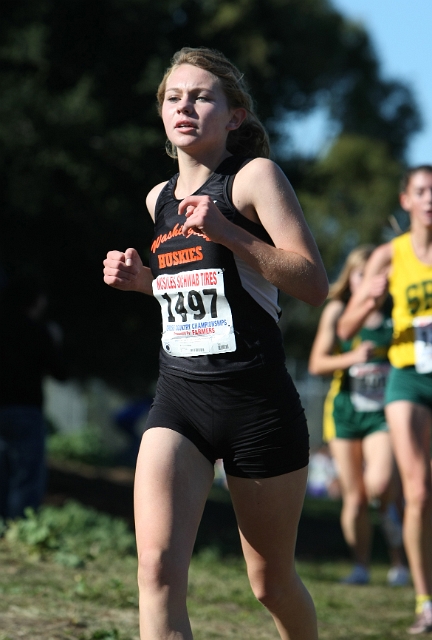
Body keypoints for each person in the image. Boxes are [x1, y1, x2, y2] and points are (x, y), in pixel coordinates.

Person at [103, 47, 328, 640]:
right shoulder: (158, 198)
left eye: (202, 96)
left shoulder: (254, 178)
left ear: (234, 115)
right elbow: (200, 298)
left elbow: (312, 283)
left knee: (270, 584)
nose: (185, 106)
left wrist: (229, 232)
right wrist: (146, 284)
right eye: (174, 97)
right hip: (179, 400)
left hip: (258, 406)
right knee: (155, 569)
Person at [337, 165, 432, 634]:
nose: (430, 199)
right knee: (416, 490)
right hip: (408, 379)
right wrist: (369, 298)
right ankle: (425, 599)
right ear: (406, 201)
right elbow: (344, 328)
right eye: (422, 191)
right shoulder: (389, 257)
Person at [308, 245, 408, 587]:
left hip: (383, 413)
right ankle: (361, 566)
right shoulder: (337, 312)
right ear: (351, 278)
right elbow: (317, 363)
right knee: (355, 496)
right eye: (362, 274)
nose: (370, 281)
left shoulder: (397, 310)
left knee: (382, 486)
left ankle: (399, 563)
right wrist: (351, 359)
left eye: (378, 274)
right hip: (345, 413)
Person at [0, 274, 67, 521]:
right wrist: (55, 342)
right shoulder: (39, 332)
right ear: (35, 301)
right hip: (26, 410)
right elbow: (61, 373)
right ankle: (19, 530)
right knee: (25, 477)